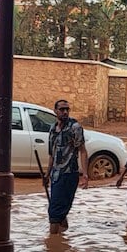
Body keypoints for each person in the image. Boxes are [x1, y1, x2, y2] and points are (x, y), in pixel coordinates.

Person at [43, 99, 89, 235]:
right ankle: (60, 239)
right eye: (62, 109)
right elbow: (52, 154)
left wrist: (85, 174)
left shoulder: (75, 127)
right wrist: (47, 175)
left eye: (67, 109)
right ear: (55, 111)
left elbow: (82, 151)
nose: (65, 112)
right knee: (57, 210)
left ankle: (54, 245)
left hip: (69, 174)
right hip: (56, 175)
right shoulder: (53, 129)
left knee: (55, 212)